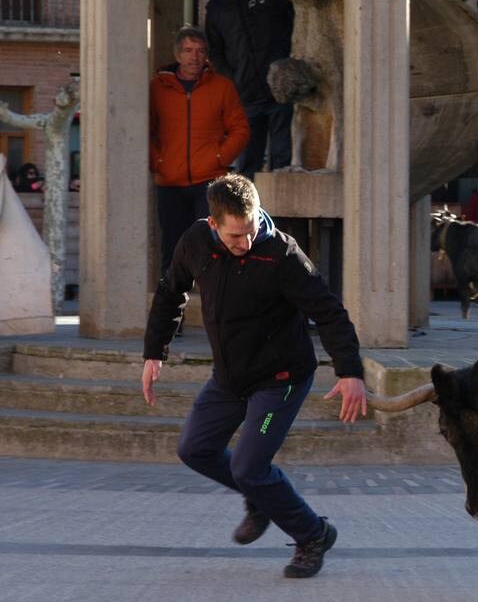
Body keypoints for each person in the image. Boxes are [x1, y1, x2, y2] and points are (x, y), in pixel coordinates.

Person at [143, 174, 366, 579]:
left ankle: (313, 534)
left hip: (280, 380)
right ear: (213, 225)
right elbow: (170, 291)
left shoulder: (281, 254)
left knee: (249, 468)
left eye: (250, 232)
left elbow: (330, 312)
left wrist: (350, 371)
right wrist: (154, 352)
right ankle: (262, 498)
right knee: (195, 449)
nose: (244, 243)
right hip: (230, 378)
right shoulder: (195, 242)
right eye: (234, 237)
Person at [150, 25, 251, 274]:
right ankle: (171, 301)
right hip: (169, 180)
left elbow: (240, 129)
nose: (194, 56)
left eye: (200, 51)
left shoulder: (222, 87)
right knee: (172, 243)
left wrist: (220, 158)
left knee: (211, 241)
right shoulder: (158, 87)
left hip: (209, 181)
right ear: (177, 55)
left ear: (207, 55)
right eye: (188, 50)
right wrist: (158, 162)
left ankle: (211, 296)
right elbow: (144, 130)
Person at [204, 0, 296, 176]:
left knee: (282, 160)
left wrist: (284, 63)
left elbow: (291, 23)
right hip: (246, 96)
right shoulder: (215, 8)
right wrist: (234, 82)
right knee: (247, 165)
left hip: (279, 90)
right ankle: (249, 212)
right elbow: (215, 52)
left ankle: (280, 212)